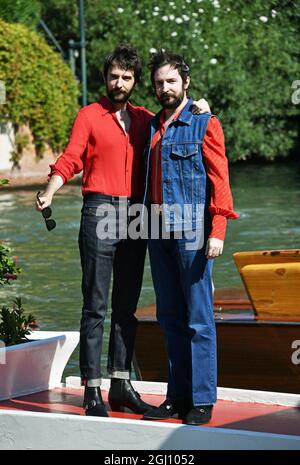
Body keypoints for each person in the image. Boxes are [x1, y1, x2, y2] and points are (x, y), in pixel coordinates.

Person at [36, 44, 211, 418]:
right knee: (95, 304)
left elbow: (180, 114)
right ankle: (92, 389)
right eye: (114, 76)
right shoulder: (89, 115)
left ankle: (120, 383)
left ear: (134, 82)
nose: (120, 82)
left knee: (126, 307)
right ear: (106, 78)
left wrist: (202, 107)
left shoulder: (146, 119)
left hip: (137, 212)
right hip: (99, 208)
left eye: (127, 77)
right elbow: (71, 157)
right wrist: (50, 190)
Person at [142, 51, 238, 425]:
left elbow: (220, 180)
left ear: (185, 83)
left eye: (170, 81)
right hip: (155, 230)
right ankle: (176, 396)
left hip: (193, 231)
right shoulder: (150, 126)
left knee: (199, 318)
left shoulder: (205, 123)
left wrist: (218, 230)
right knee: (169, 317)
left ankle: (201, 399)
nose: (164, 88)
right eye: (158, 83)